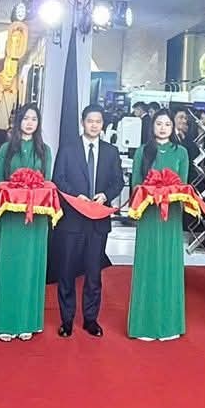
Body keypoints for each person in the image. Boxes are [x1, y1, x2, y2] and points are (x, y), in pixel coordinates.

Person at [0, 105, 53, 340]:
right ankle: (4, 323)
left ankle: (28, 322)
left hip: (36, 220)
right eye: (25, 118)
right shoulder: (6, 148)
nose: (29, 123)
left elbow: (48, 183)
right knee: (10, 265)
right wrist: (17, 189)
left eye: (34, 119)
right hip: (11, 218)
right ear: (18, 122)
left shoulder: (45, 150)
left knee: (31, 267)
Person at [56, 105, 122, 337]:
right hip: (72, 221)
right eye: (90, 121)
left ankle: (91, 320)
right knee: (67, 272)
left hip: (98, 222)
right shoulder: (68, 149)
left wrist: (105, 195)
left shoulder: (111, 151)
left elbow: (118, 181)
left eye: (98, 121)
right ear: (82, 122)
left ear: (102, 125)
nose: (94, 125)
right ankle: (66, 320)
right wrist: (76, 196)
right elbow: (58, 179)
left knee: (94, 274)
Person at [127, 110, 192, 341]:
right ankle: (144, 325)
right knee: (147, 263)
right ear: (152, 126)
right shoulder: (142, 151)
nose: (163, 128)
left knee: (169, 264)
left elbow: (184, 185)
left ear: (173, 128)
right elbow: (135, 184)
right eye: (159, 124)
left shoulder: (181, 152)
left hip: (170, 216)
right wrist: (149, 192)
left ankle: (169, 325)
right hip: (148, 214)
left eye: (167, 124)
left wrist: (168, 192)